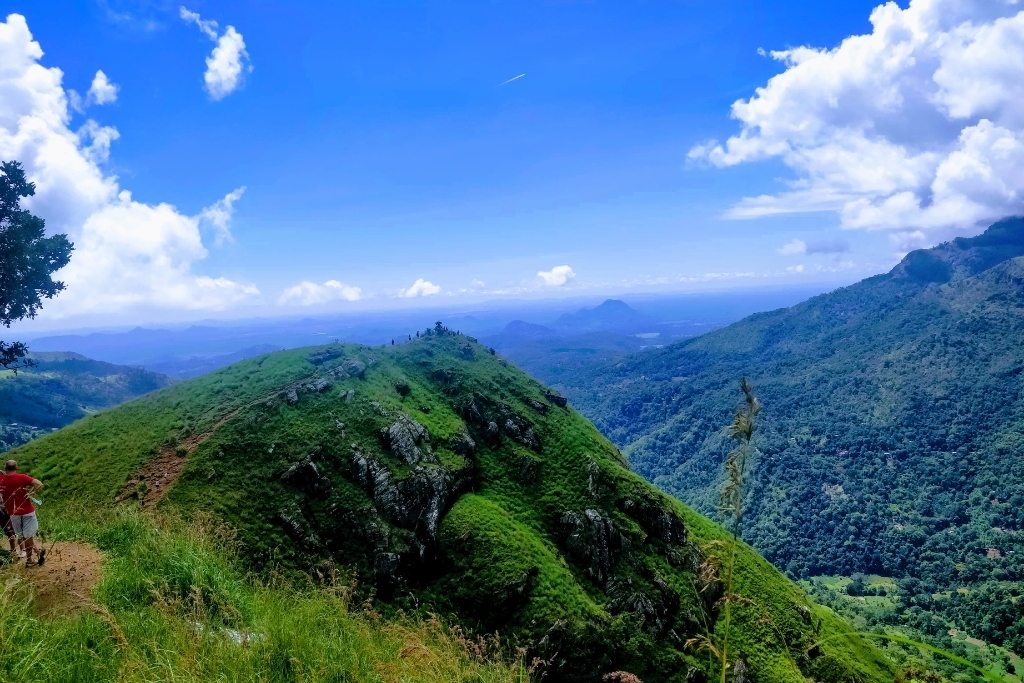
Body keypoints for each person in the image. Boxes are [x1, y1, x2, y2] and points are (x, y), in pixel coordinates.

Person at [0, 460, 43, 567]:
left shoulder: (1, 480)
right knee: (28, 536)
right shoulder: (21, 477)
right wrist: (31, 492)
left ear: (5, 468)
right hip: (27, 511)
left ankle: (35, 552)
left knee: (21, 535)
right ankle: (29, 560)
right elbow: (38, 483)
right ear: (16, 467)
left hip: (13, 513)